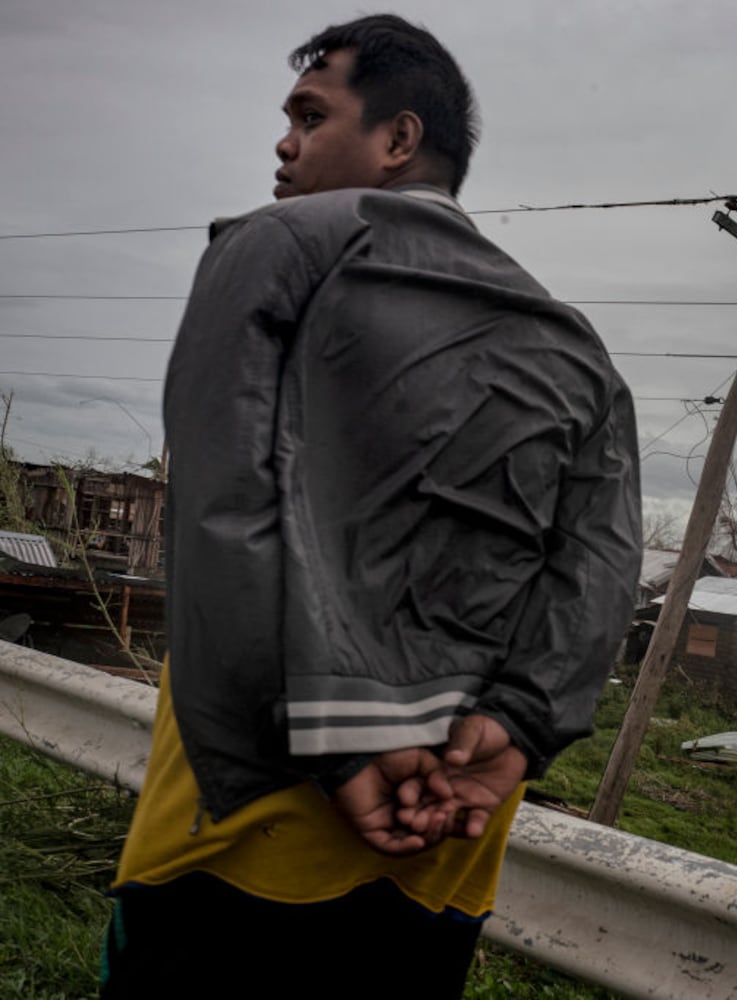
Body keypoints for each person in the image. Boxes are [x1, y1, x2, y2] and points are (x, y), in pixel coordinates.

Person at [102, 15, 641, 997]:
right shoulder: (575, 351)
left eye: (310, 114)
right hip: (447, 849)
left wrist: (344, 743)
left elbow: (226, 515)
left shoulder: (276, 249)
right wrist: (515, 728)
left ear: (397, 140)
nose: (285, 141)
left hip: (245, 825)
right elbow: (597, 580)